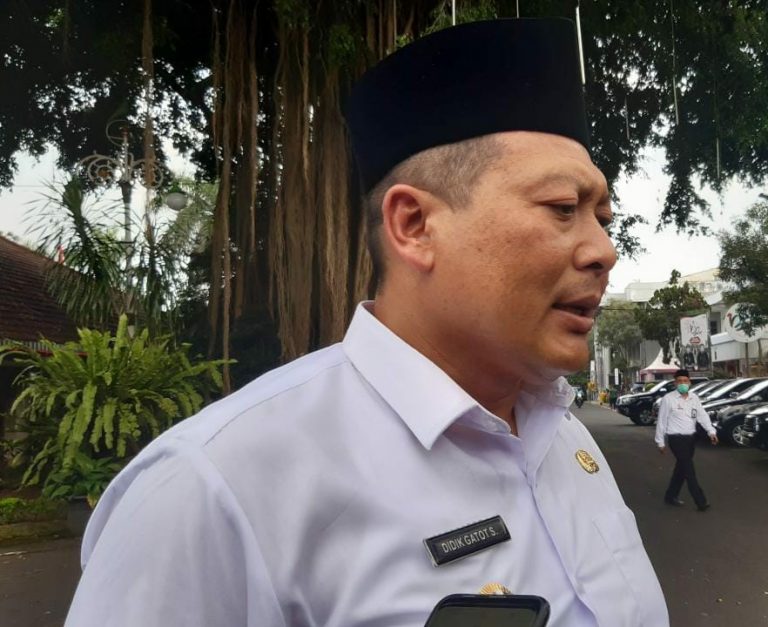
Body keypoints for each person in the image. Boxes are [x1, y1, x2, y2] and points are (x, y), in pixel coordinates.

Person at [65, 18, 668, 627]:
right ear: (414, 226)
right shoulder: (215, 491)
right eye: (563, 208)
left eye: (603, 217)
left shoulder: (564, 438)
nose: (604, 250)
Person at [655, 368, 718, 511]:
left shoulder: (694, 398)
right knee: (689, 470)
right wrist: (660, 441)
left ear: (689, 382)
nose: (682, 384)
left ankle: (671, 495)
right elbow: (662, 421)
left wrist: (711, 432)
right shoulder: (668, 399)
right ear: (675, 383)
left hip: (690, 439)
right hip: (676, 439)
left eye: (685, 381)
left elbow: (702, 415)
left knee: (681, 469)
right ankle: (701, 501)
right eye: (679, 381)